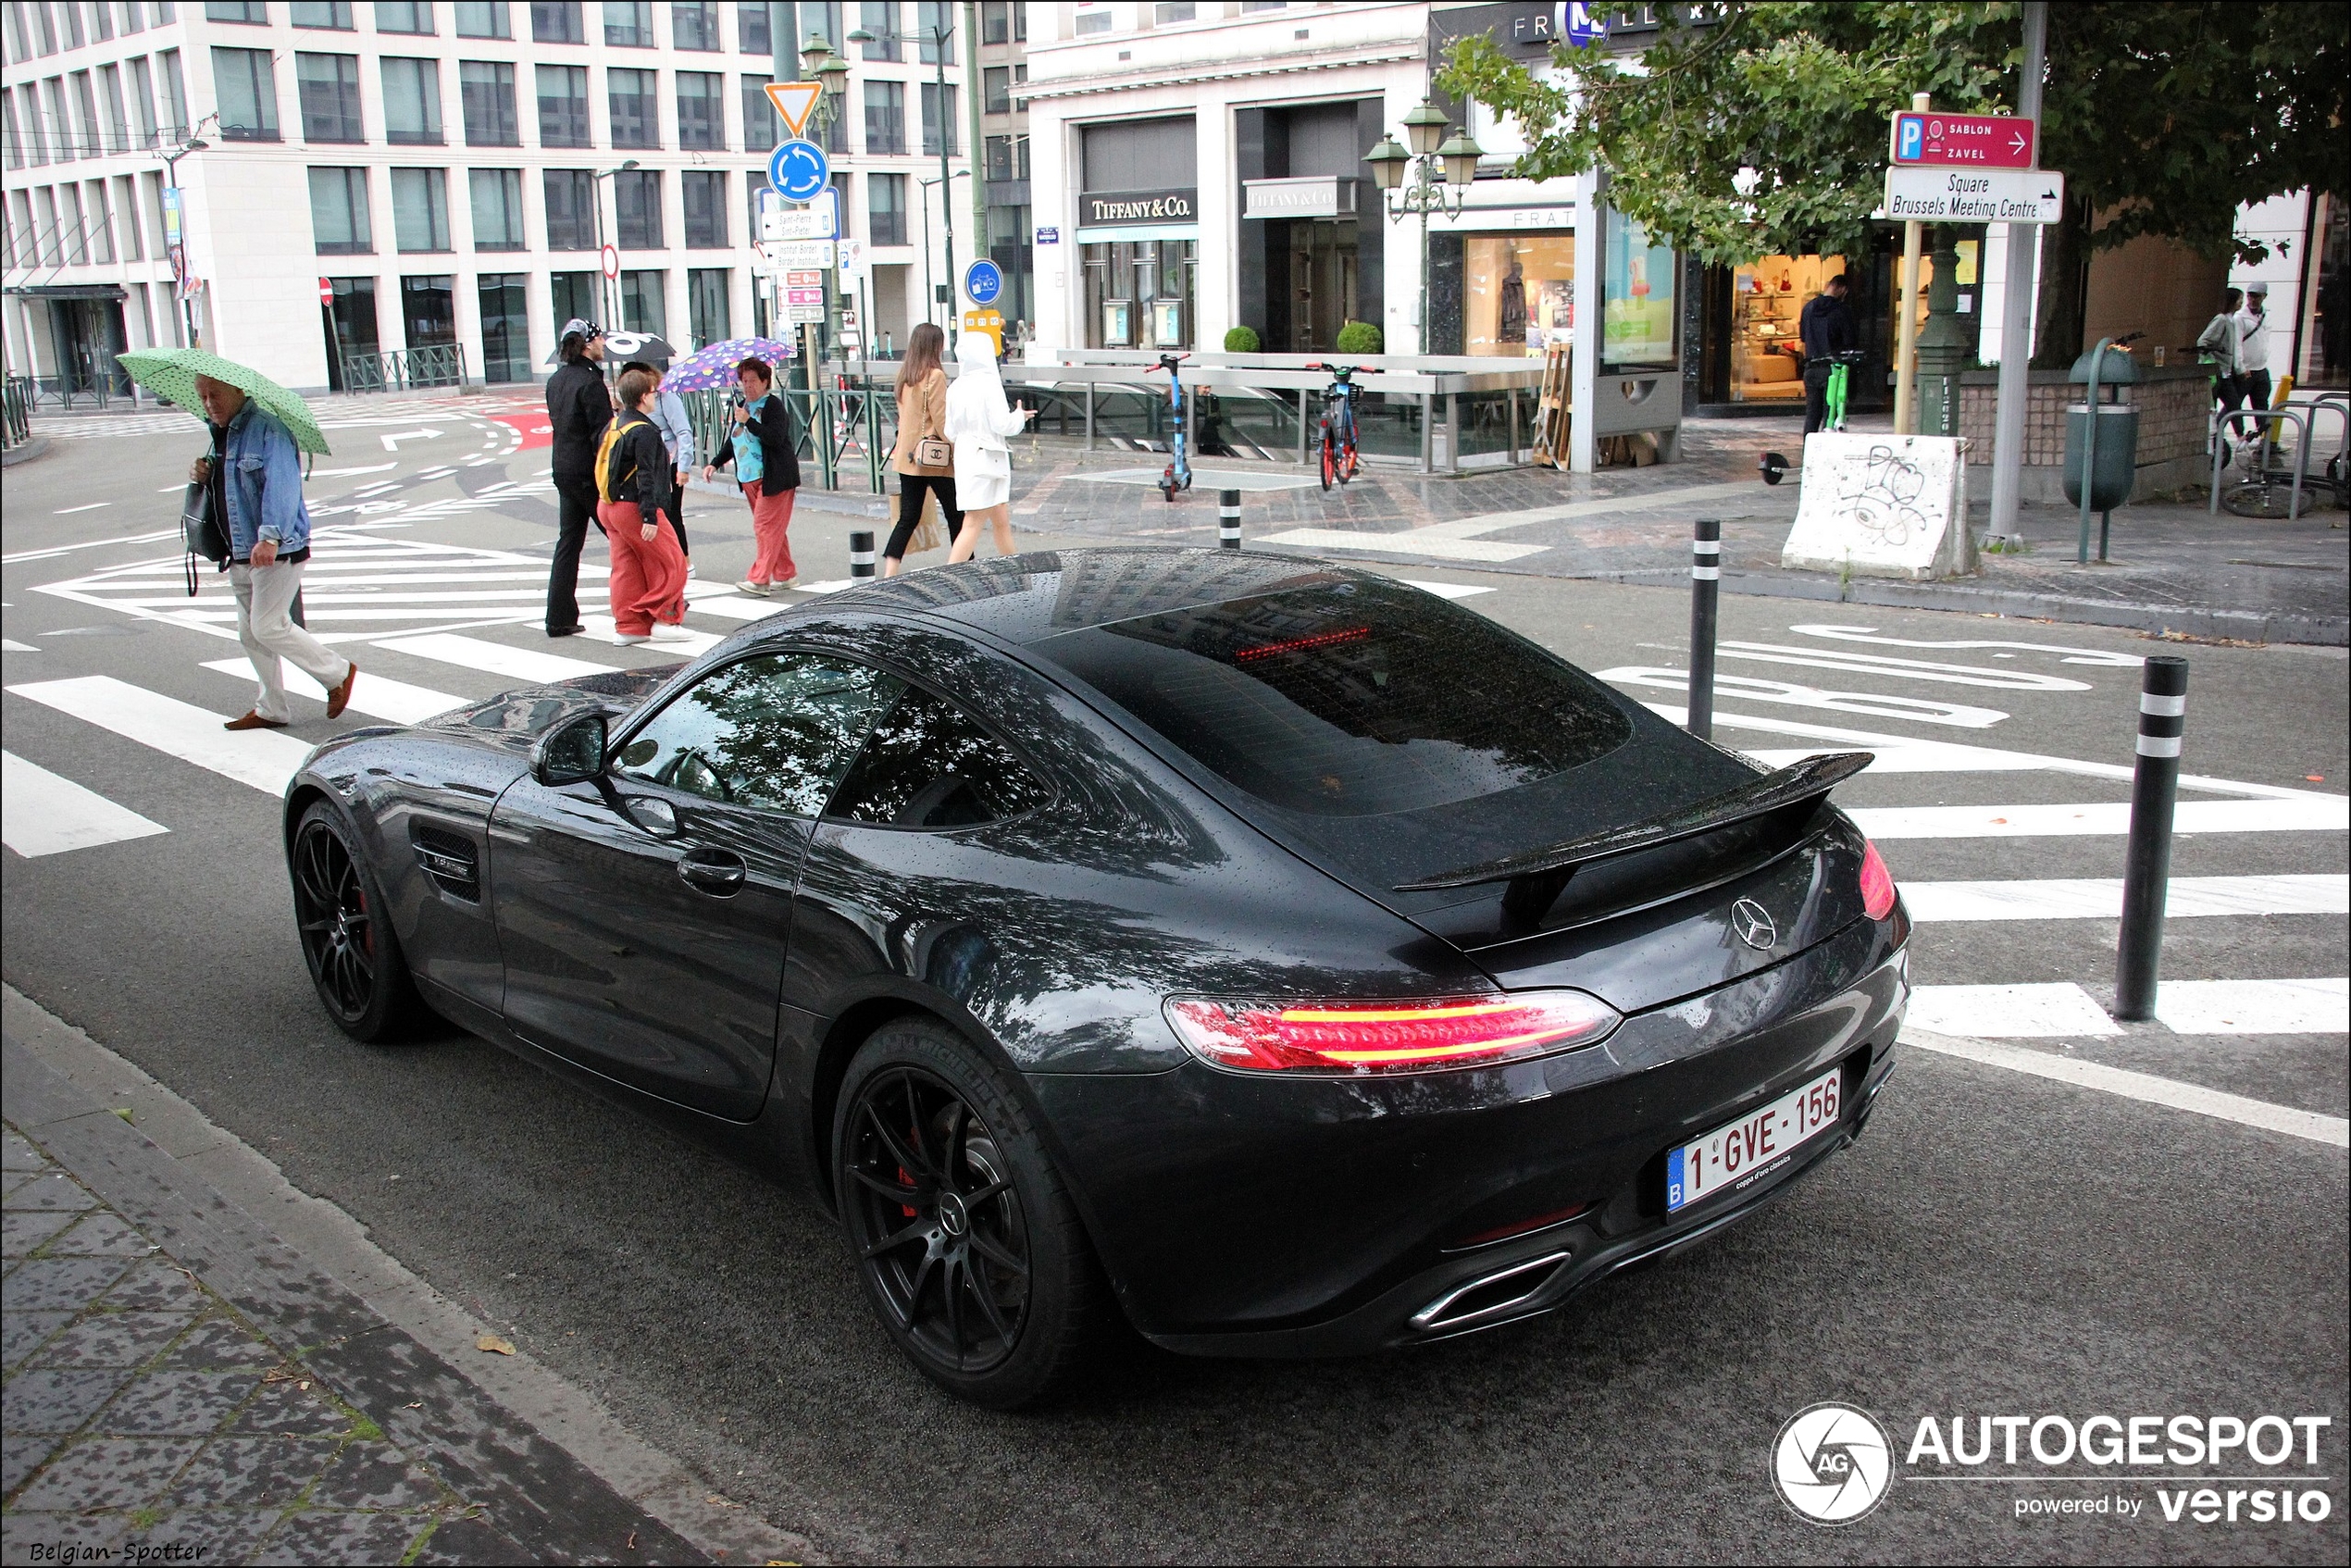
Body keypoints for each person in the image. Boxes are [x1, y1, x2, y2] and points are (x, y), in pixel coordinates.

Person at [187, 373, 356, 730]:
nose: (208, 404)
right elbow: (229, 492)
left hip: (275, 548)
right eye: (202, 396)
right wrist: (202, 474)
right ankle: (271, 708)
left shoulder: (268, 430)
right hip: (239, 549)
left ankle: (337, 672)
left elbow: (282, 486)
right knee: (249, 632)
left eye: (215, 394)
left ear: (238, 391)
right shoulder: (221, 435)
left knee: (266, 625)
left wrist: (271, 536)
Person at [596, 367, 694, 646]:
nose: (656, 396)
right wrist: (650, 516)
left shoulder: (614, 424)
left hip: (609, 504)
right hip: (635, 507)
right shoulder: (646, 431)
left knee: (625, 566)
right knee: (672, 561)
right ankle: (665, 618)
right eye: (653, 392)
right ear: (643, 396)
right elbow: (646, 476)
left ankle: (628, 626)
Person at [699, 357, 799, 595]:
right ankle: (785, 573)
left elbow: (775, 437)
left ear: (765, 381)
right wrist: (715, 463)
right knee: (772, 528)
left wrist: (750, 421)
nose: (748, 386)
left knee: (764, 526)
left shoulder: (772, 406)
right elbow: (735, 440)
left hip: (774, 477)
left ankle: (759, 579)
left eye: (753, 380)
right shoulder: (743, 406)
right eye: (744, 381)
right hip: (749, 478)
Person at [544, 319, 612, 637]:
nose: (603, 343)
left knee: (568, 543)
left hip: (563, 469)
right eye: (599, 338)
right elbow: (603, 436)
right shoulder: (590, 383)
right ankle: (653, 602)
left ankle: (559, 617)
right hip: (589, 472)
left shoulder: (556, 380)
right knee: (625, 536)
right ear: (587, 343)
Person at [943, 331, 1033, 564]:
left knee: (999, 519)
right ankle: (950, 575)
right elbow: (1002, 424)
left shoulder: (955, 387)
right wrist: (1019, 417)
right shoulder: (989, 384)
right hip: (988, 457)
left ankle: (1017, 570)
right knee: (974, 523)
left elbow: (949, 432)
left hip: (966, 455)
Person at [883, 322, 962, 577]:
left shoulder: (905, 376)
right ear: (934, 346)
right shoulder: (935, 376)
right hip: (934, 458)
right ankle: (964, 568)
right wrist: (956, 446)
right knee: (956, 515)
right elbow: (940, 420)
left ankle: (890, 571)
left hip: (907, 458)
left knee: (908, 518)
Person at [624, 358, 695, 569]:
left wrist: (683, 466)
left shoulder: (664, 397)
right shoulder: (631, 406)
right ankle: (666, 561)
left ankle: (684, 561)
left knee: (672, 514)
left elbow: (683, 431)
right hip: (646, 463)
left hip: (669, 462)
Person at [1797, 273, 1858, 435]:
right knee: (1830, 414)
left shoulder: (1808, 308)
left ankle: (1808, 451)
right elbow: (1850, 340)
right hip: (1834, 369)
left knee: (1812, 414)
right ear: (1842, 289)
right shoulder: (1842, 311)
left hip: (1811, 367)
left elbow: (1803, 337)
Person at [2198, 288, 2245, 412]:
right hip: (2217, 371)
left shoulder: (2232, 321)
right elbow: (2203, 341)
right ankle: (2216, 429)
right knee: (2215, 404)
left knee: (2234, 404)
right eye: (2240, 299)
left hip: (2225, 372)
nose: (2241, 302)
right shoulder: (2221, 319)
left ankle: (2239, 431)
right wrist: (2212, 357)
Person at [2233, 281, 2273, 415]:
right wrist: (2240, 367)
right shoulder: (2240, 317)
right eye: (2250, 296)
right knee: (2233, 405)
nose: (2253, 300)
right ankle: (2223, 432)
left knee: (2262, 406)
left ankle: (2262, 433)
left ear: (2264, 297)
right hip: (2246, 370)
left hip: (2261, 368)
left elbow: (2265, 339)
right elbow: (2237, 344)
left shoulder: (2266, 315)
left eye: (2257, 296)